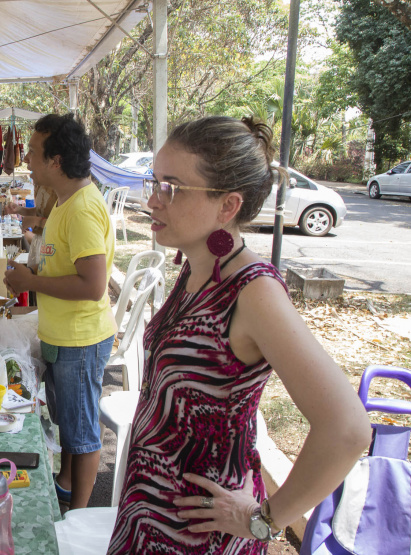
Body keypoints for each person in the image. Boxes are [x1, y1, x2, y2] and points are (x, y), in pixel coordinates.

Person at [106, 116, 370, 553]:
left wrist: (264, 520)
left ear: (227, 206)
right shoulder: (198, 268)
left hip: (198, 535)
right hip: (149, 512)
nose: (152, 200)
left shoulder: (253, 291)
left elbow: (347, 429)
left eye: (170, 187)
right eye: (154, 182)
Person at [3, 113, 116, 510]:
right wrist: (33, 272)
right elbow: (59, 260)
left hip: (79, 340)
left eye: (32, 152)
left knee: (82, 434)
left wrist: (32, 283)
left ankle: (79, 516)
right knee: (68, 425)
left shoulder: (83, 208)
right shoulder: (67, 203)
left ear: (55, 161)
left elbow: (92, 284)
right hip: (60, 336)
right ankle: (66, 484)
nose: (26, 159)